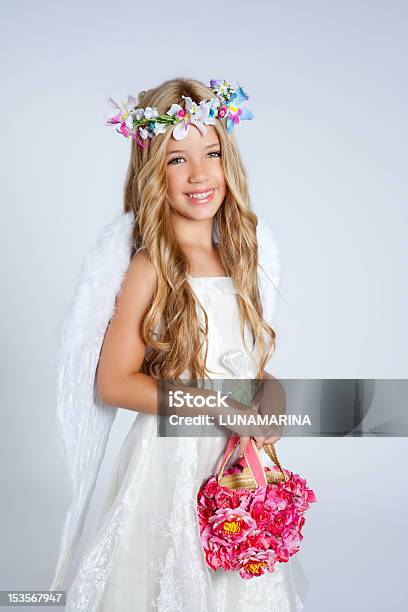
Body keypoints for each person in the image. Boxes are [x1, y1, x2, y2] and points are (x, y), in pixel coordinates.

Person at [50, 77, 308, 611]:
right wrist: (215, 405)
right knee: (172, 574)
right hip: (173, 458)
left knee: (235, 578)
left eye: (211, 152)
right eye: (176, 159)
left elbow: (251, 366)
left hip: (234, 460)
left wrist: (270, 399)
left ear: (227, 158)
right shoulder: (151, 265)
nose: (199, 174)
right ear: (152, 173)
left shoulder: (242, 259)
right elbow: (114, 381)